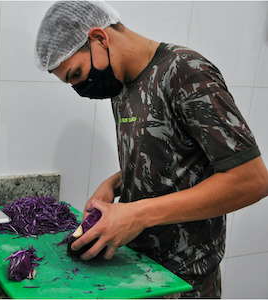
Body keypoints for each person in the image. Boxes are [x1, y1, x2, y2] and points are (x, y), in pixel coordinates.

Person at [34, 1, 268, 298]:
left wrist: (137, 215)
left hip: (185, 281)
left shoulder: (186, 71)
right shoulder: (119, 85)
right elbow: (173, 153)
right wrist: (113, 184)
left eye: (77, 74)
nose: (80, 87)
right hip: (137, 269)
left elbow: (252, 179)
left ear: (99, 39)